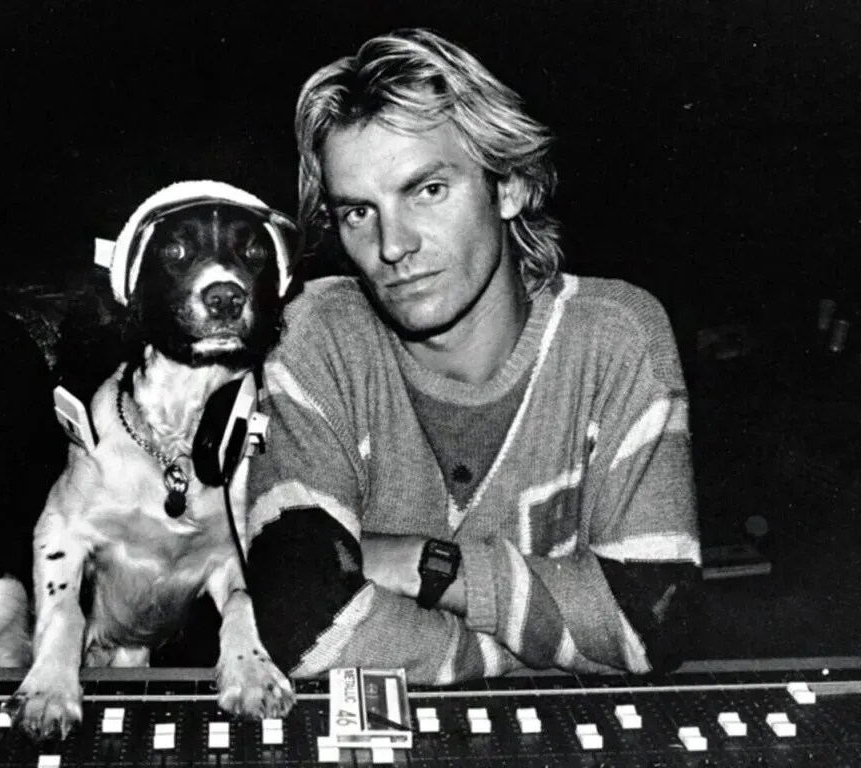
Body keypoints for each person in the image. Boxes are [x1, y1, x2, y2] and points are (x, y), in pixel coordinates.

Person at [245, 27, 700, 684]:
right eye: (357, 213)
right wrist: (507, 656)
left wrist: (423, 565)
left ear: (507, 186)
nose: (393, 245)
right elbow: (303, 624)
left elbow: (650, 619)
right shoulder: (316, 335)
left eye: (427, 190)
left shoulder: (616, 337)